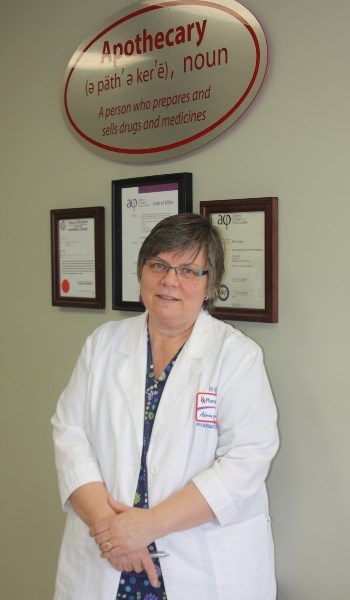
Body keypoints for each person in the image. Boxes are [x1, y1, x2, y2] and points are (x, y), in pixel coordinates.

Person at [52, 212, 279, 600]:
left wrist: (148, 526)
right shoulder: (103, 345)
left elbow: (247, 459)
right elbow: (70, 435)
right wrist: (115, 531)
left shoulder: (237, 356)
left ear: (210, 286)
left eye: (189, 270)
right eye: (159, 265)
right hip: (110, 556)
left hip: (203, 568)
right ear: (142, 272)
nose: (170, 280)